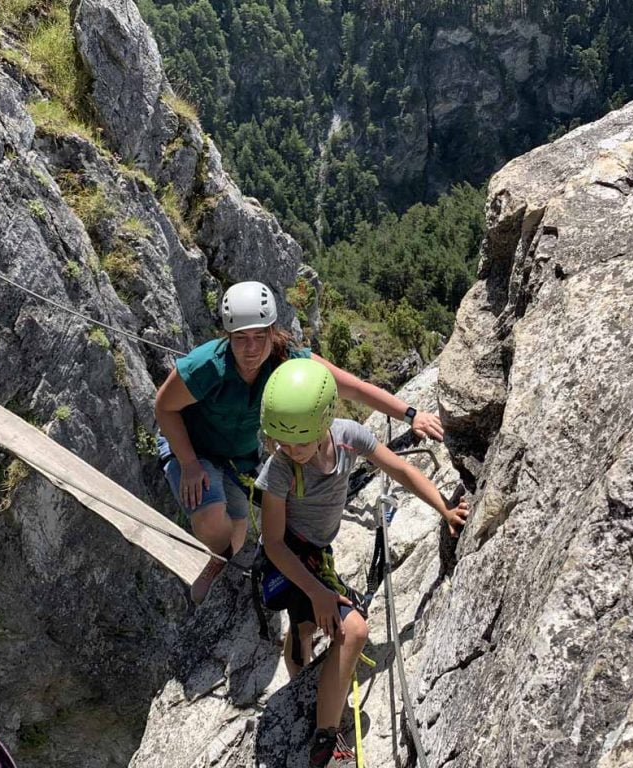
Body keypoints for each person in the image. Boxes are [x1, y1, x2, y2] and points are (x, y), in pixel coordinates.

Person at [154, 280, 444, 604]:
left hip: (239, 456)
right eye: (240, 339)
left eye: (259, 336)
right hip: (192, 448)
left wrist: (411, 414)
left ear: (272, 330)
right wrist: (190, 464)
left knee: (239, 531)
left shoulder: (287, 359)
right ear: (228, 337)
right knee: (210, 519)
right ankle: (216, 558)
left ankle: (222, 557)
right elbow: (164, 407)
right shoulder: (206, 366)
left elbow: (355, 389)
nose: (250, 349)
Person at [252, 358, 468, 768]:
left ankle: (309, 694)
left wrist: (445, 508)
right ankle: (323, 738)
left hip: (315, 552)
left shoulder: (349, 437)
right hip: (290, 558)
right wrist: (317, 592)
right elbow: (276, 545)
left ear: (322, 423)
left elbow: (401, 469)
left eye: (297, 442)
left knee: (309, 629)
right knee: (352, 630)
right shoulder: (279, 471)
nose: (289, 451)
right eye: (279, 441)